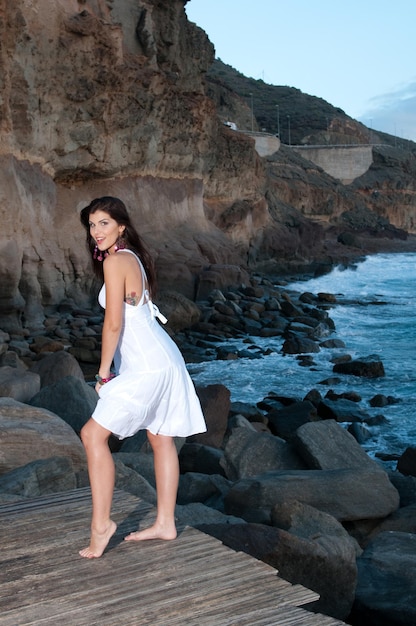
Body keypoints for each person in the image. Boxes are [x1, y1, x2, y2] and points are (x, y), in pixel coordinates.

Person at [78, 196, 206, 559]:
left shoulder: (116, 261)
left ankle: (101, 526)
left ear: (121, 225)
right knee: (160, 438)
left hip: (150, 365)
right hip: (162, 359)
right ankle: (165, 523)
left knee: (91, 435)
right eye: (91, 224)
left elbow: (114, 323)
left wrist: (103, 373)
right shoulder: (131, 257)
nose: (96, 231)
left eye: (104, 223)